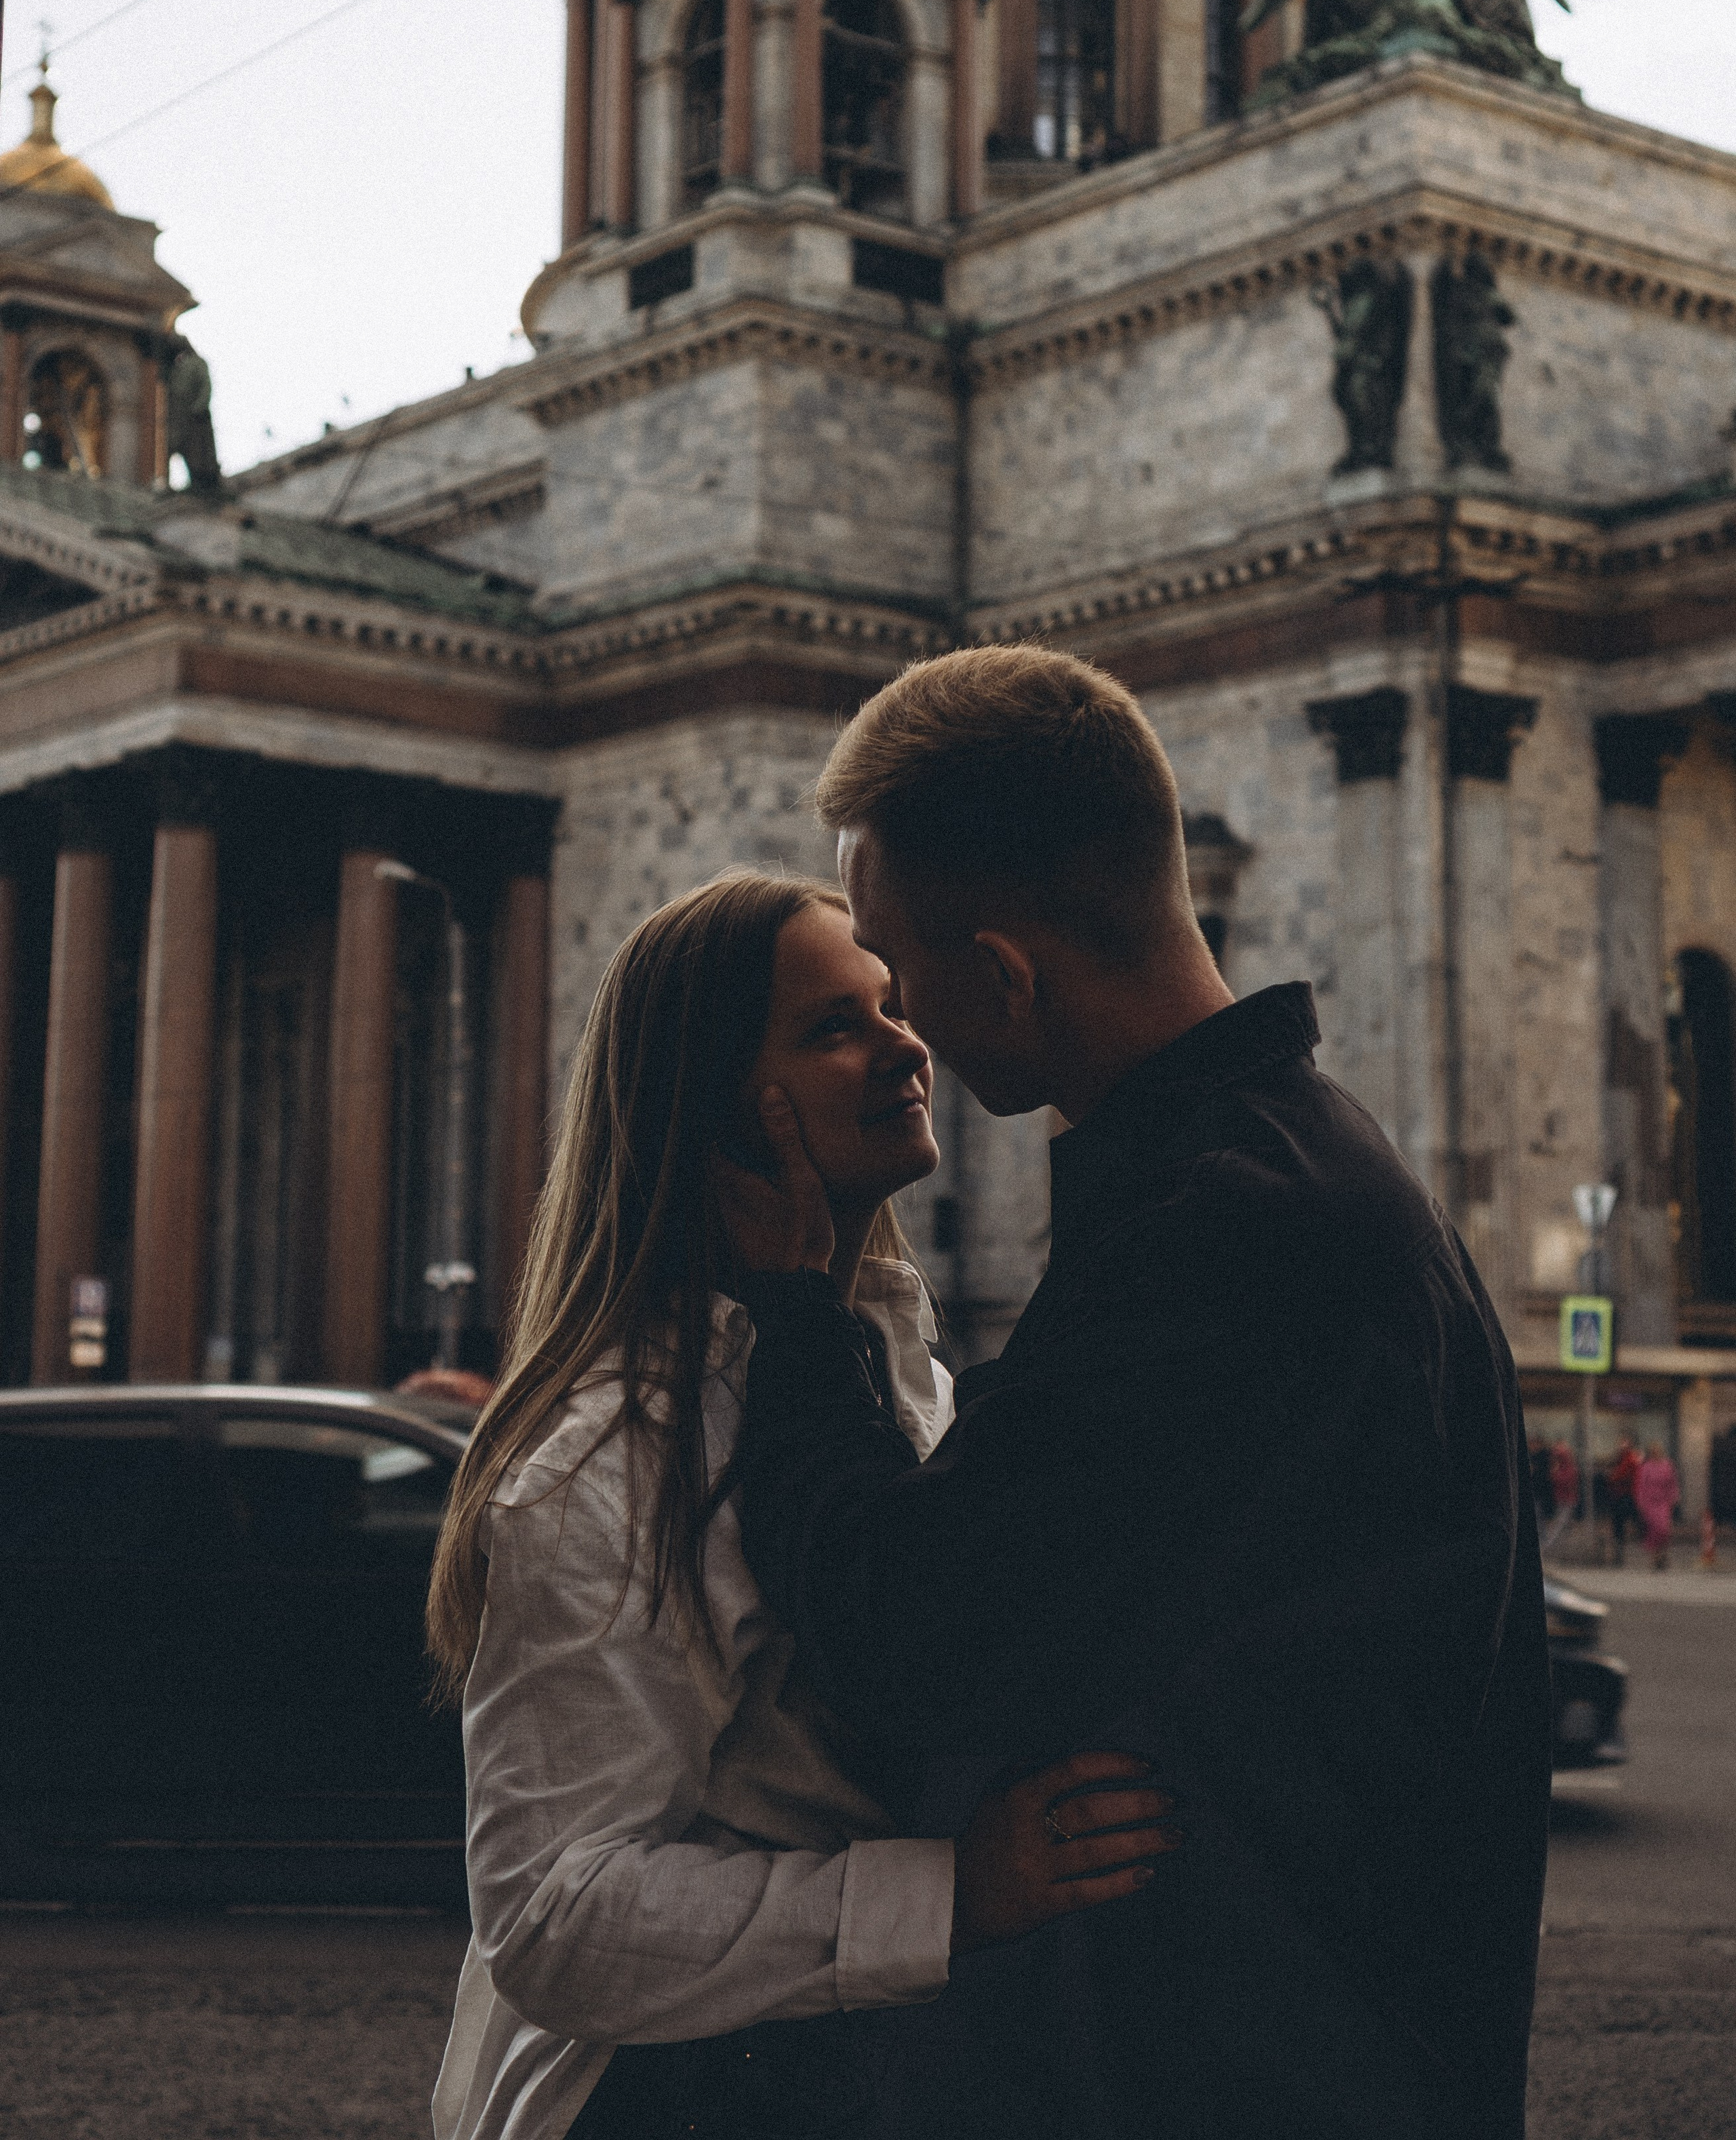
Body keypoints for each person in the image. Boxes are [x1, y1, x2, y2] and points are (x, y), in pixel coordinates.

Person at [722, 647, 1554, 2140]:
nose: (900, 1029)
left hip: (1263, 2080)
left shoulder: (1228, 1237)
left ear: (1000, 973)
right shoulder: (1284, 1171)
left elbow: (915, 1630)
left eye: (901, 977)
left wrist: (794, 1313)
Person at [426, 870, 1180, 2140]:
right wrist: (947, 1897)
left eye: (891, 1005)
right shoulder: (609, 1457)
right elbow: (552, 1920)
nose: (906, 1044)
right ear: (712, 1111)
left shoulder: (884, 1370)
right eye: (836, 1028)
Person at [1635, 1440, 1680, 1570]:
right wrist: (1641, 1501)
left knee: (1665, 1529)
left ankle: (1662, 1555)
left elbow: (1672, 1483)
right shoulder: (1646, 1467)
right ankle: (1655, 1557)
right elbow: (1642, 1485)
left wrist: (1674, 1497)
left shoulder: (1668, 1466)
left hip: (1664, 1502)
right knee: (1655, 1528)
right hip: (1650, 1502)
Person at [1605, 1431, 1641, 1566]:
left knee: (1621, 1524)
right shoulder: (1621, 1458)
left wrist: (1612, 1476)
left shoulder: (1630, 1458)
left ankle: (1621, 1555)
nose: (1621, 1445)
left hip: (1625, 1496)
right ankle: (1619, 1554)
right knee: (1619, 1525)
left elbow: (1620, 1475)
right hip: (1619, 1496)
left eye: (1623, 1443)